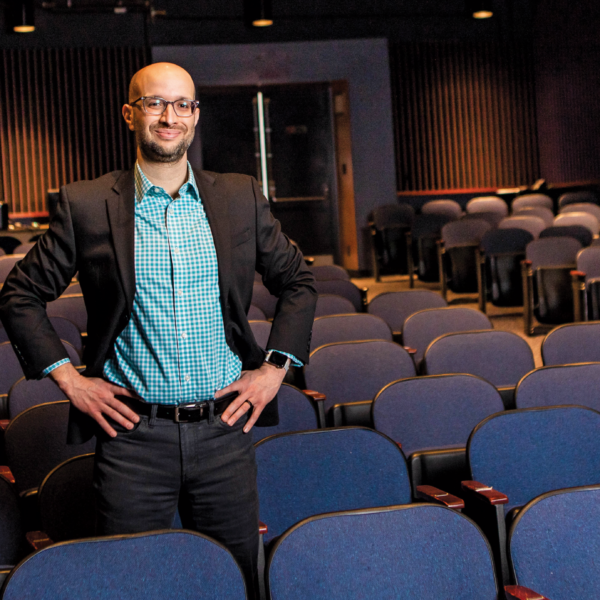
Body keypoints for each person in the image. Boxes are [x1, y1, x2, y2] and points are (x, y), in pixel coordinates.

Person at [0, 62, 316, 596]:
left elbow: (300, 282)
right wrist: (70, 380)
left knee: (233, 582)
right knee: (134, 584)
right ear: (130, 113)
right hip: (132, 439)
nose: (169, 116)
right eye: (154, 103)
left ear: (195, 115)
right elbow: (20, 294)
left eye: (182, 104)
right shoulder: (87, 204)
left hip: (224, 431)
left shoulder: (239, 196)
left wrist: (273, 371)